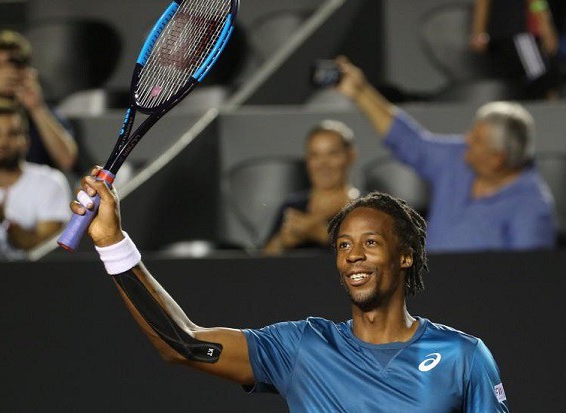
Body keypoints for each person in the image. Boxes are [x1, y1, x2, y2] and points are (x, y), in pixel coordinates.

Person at [69, 168, 510, 411]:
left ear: (406, 256)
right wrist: (111, 242)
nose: (353, 256)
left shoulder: (463, 357)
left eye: (371, 243)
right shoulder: (302, 347)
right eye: (343, 245)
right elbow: (183, 344)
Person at [334, 56, 557, 253]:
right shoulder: (457, 159)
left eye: (477, 140)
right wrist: (361, 92)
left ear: (497, 159)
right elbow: (409, 141)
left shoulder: (532, 207)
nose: (466, 140)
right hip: (429, 283)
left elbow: (526, 274)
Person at [0, 30, 78, 183]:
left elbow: (67, 160)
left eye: (13, 66)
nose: (7, 74)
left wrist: (36, 107)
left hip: (33, 196)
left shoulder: (41, 113)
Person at [0, 99, 71, 258]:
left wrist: (5, 222)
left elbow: (48, 251)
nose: (4, 142)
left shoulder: (50, 183)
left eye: (13, 133)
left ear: (26, 142)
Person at [263, 120, 359, 255]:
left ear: (350, 156)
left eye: (332, 154)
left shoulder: (366, 208)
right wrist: (282, 242)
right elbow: (263, 258)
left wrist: (324, 235)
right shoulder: (292, 206)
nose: (323, 164)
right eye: (315, 155)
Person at [470, 0, 561, 100]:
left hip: (504, 35)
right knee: (542, 79)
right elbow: (536, 2)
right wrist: (545, 27)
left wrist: (479, 32)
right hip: (518, 33)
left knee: (531, 83)